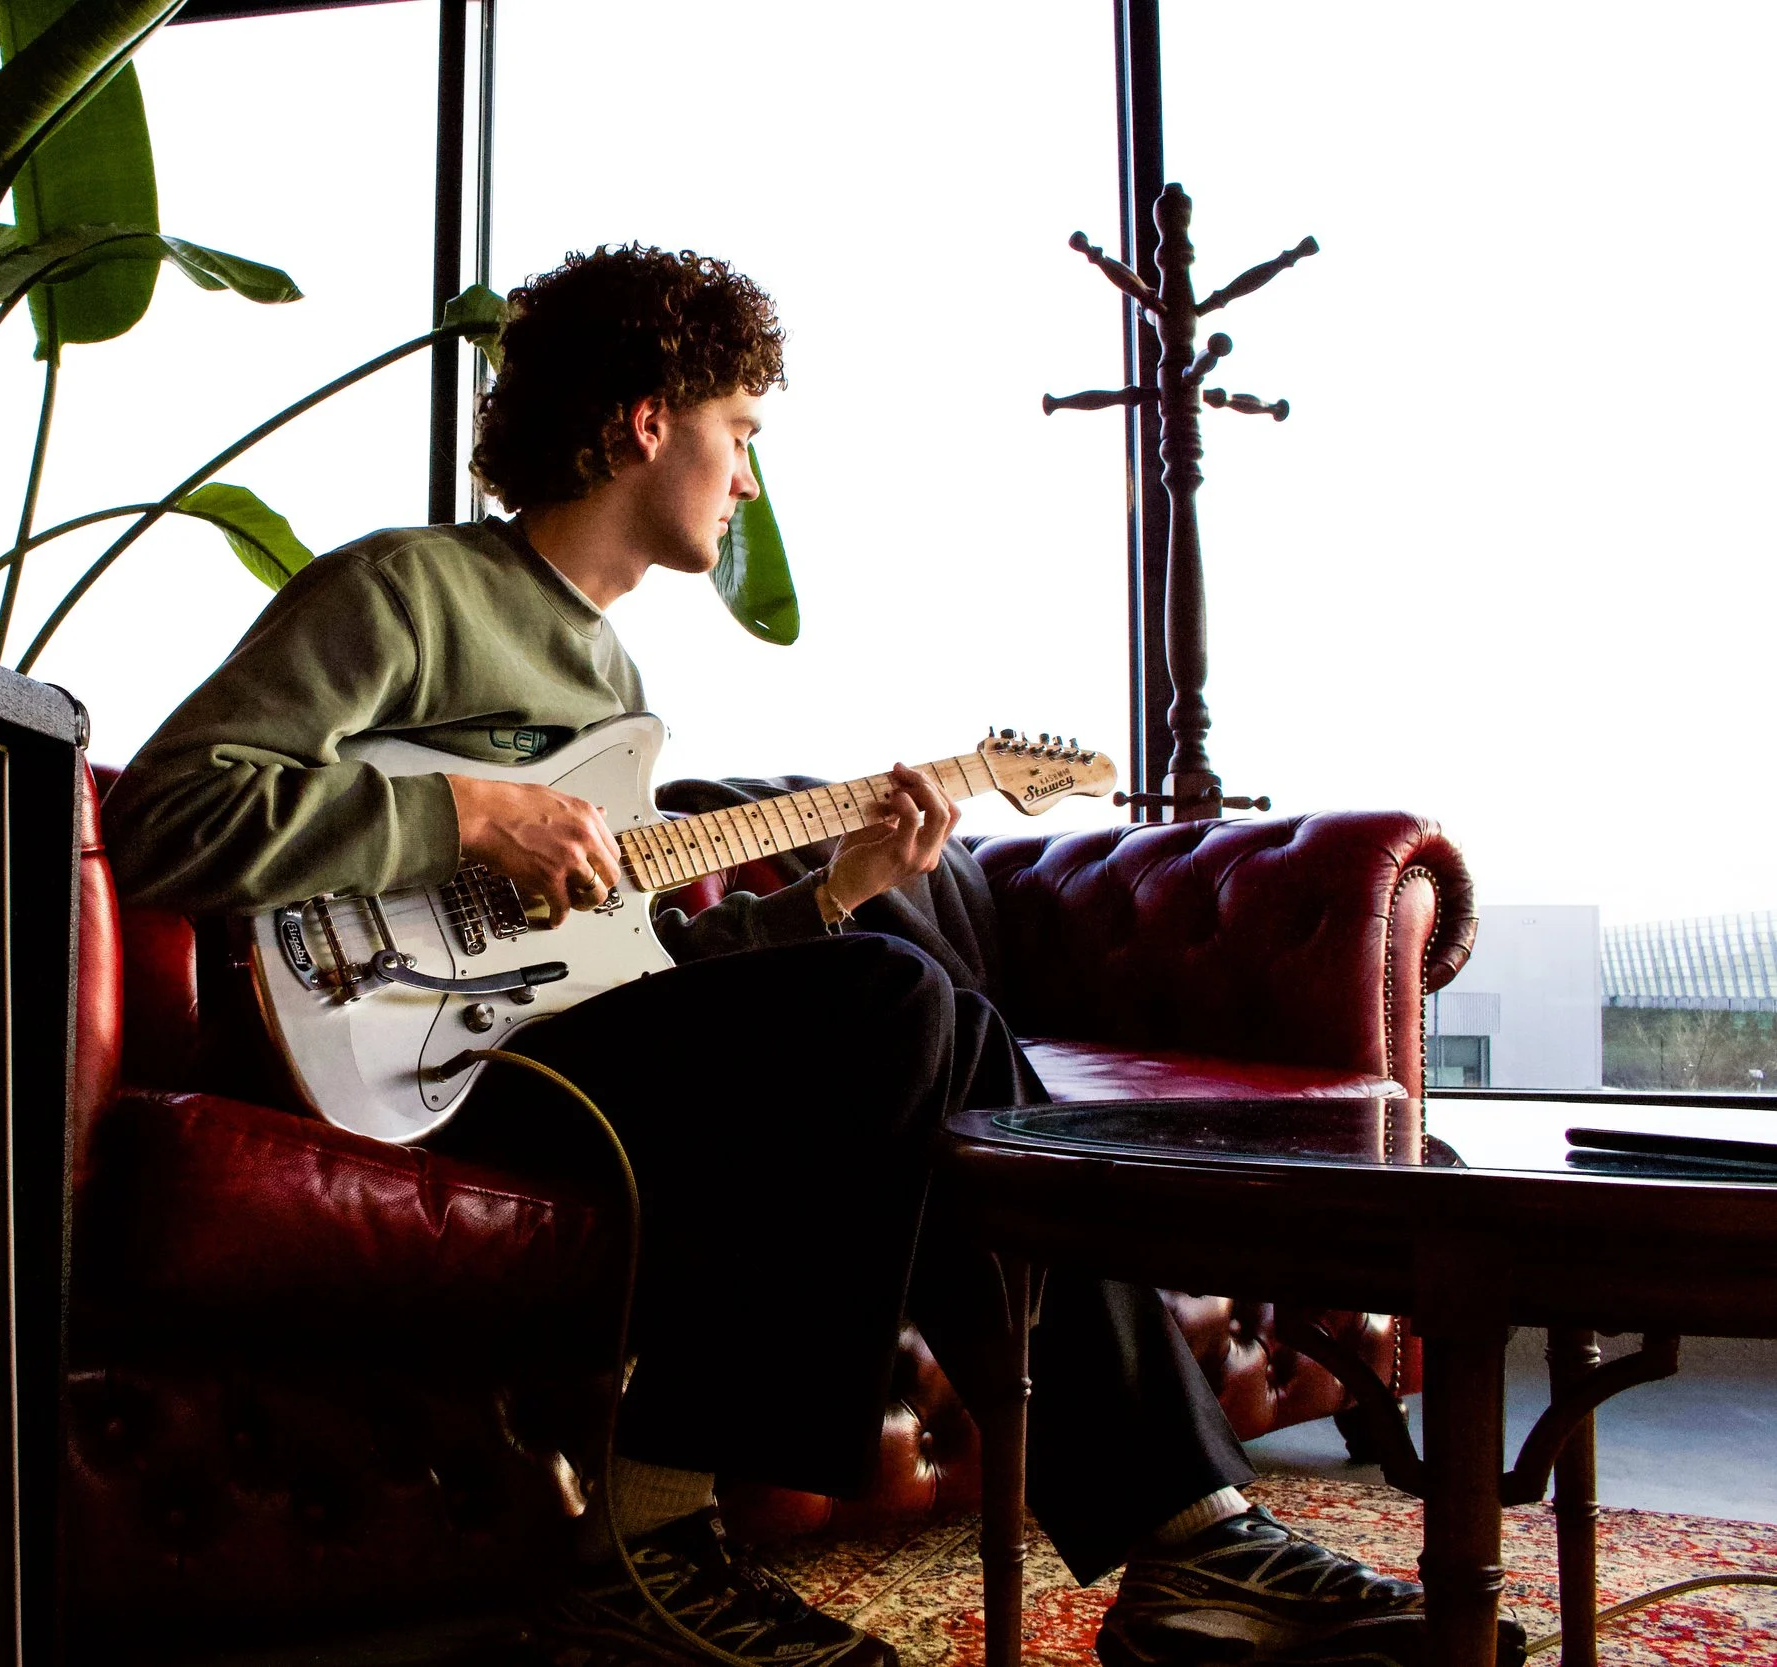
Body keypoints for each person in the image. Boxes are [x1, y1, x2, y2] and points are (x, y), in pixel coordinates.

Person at [104, 246, 1505, 1667]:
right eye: (742, 433)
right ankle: (644, 1540)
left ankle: (1192, 1538)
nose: (749, 479)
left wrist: (835, 891)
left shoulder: (612, 689)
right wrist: (463, 809)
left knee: (944, 1025)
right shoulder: (408, 591)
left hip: (541, 1037)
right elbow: (163, 818)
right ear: (648, 419)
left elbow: (636, 966)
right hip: (392, 1055)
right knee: (908, 1002)